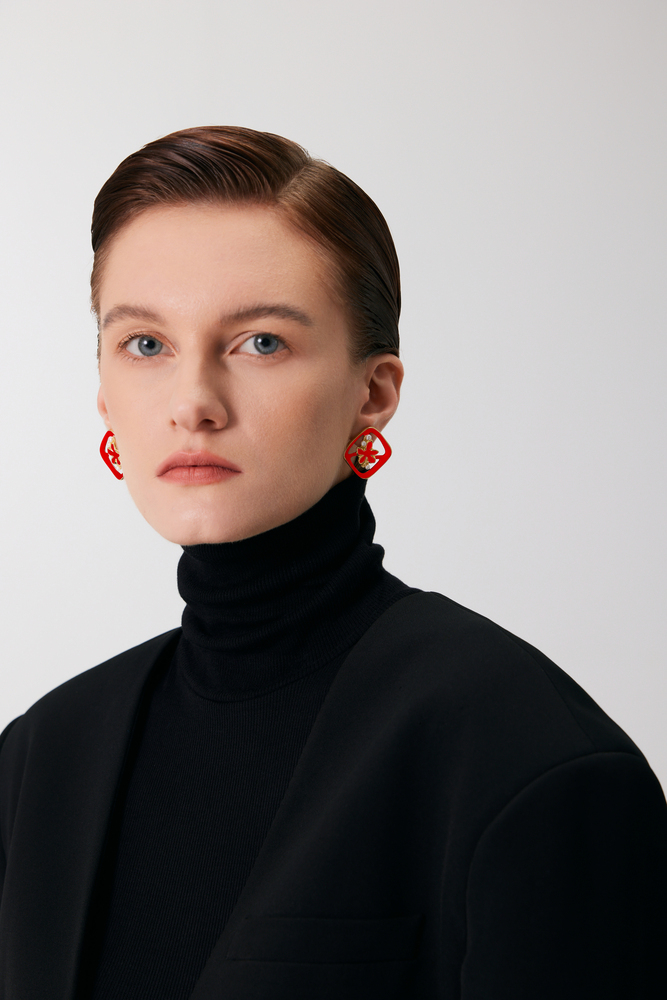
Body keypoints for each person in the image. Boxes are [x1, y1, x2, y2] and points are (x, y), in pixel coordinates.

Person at [0, 126, 665, 1000]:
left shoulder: (529, 758)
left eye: (260, 343)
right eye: (146, 345)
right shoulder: (39, 758)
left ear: (373, 393)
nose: (193, 404)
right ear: (103, 391)